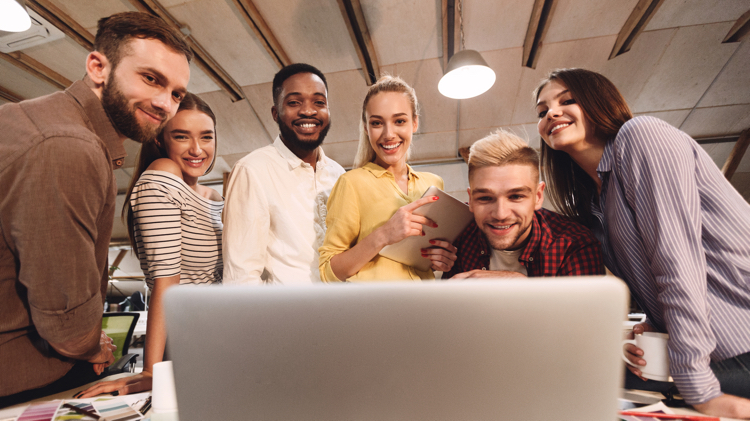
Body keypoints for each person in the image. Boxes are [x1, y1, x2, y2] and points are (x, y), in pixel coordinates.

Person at [534, 68, 750, 418]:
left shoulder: (641, 137)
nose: (551, 114)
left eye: (566, 100)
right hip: (718, 352)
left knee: (580, 387)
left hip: (741, 343)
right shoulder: (596, 202)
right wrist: (656, 324)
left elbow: (677, 261)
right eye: (542, 112)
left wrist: (700, 388)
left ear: (597, 102)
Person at [0, 12, 191, 406]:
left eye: (176, 93)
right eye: (151, 78)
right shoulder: (70, 145)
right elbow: (64, 322)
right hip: (22, 377)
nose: (164, 104)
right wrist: (93, 347)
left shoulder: (35, 118)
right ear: (98, 67)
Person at [76, 93, 223, 398]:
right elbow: (166, 280)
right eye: (181, 136)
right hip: (187, 339)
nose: (197, 149)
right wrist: (150, 372)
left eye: (206, 137)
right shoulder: (162, 174)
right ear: (159, 140)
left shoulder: (215, 197)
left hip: (221, 336)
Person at [319, 75, 457, 282]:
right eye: (377, 123)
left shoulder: (434, 183)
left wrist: (440, 260)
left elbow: (425, 263)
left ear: (415, 122)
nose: (388, 134)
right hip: (375, 310)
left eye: (399, 121)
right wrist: (383, 235)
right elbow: (329, 273)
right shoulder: (351, 183)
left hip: (423, 308)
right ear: (366, 128)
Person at [222, 63, 345, 284]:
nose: (308, 111)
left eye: (319, 102)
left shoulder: (339, 174)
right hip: (284, 316)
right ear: (275, 113)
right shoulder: (252, 170)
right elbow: (240, 278)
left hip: (342, 312)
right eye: (294, 102)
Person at [442, 130, 604, 279]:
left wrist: (519, 285)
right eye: (485, 198)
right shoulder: (457, 233)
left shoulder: (575, 244)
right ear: (470, 200)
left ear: (538, 196)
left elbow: (584, 310)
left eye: (516, 196)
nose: (501, 214)